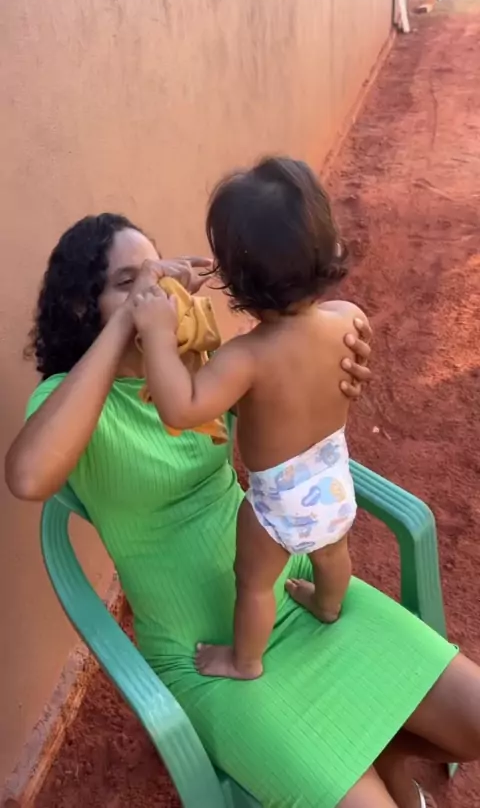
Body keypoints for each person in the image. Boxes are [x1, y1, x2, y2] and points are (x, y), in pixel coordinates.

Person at [5, 211, 480, 808]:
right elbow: (28, 477)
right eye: (128, 282)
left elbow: (286, 400)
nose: (153, 291)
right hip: (202, 652)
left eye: (156, 272)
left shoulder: (192, 365)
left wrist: (336, 368)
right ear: (82, 308)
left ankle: (382, 751)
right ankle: (364, 760)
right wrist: (126, 324)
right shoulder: (71, 398)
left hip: (294, 588)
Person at [131, 157, 364, 681]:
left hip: (277, 502)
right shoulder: (349, 318)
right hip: (333, 480)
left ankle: (245, 661)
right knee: (333, 553)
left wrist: (160, 336)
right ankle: (328, 606)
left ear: (237, 281)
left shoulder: (245, 358)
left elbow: (180, 407)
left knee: (254, 583)